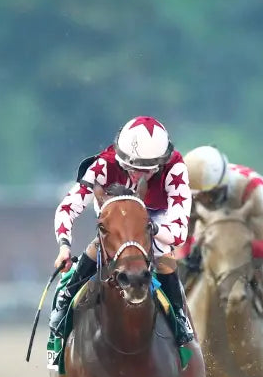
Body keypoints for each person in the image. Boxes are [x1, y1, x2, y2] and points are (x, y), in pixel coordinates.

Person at [48, 115, 195, 346]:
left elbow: (178, 232)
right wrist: (64, 246)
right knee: (100, 244)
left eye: (146, 172)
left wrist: (150, 228)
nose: (136, 176)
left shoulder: (175, 167)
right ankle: (66, 301)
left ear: (161, 163)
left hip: (154, 218)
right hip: (114, 216)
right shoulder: (104, 165)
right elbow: (67, 208)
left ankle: (177, 313)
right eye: (130, 168)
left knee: (163, 250)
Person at [180, 145, 263, 346]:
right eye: (199, 197)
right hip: (208, 235)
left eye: (210, 196)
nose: (205, 201)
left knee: (261, 270)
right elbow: (182, 240)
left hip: (245, 232)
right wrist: (192, 254)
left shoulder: (253, 191)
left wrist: (234, 249)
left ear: (222, 187)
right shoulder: (187, 194)